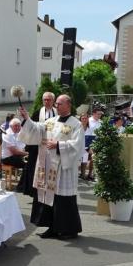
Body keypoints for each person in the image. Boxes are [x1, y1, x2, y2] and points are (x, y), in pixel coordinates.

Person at [18, 95, 84, 239]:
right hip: (48, 167)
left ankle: (69, 230)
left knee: (63, 200)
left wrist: (59, 145)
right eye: (56, 104)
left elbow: (78, 146)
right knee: (49, 199)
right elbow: (36, 129)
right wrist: (26, 118)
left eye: (59, 104)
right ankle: (52, 228)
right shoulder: (50, 121)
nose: (57, 106)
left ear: (68, 105)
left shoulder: (75, 124)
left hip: (63, 169)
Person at [24, 92, 57, 198]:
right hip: (38, 146)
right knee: (35, 168)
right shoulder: (38, 112)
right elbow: (31, 127)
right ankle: (35, 192)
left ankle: (51, 190)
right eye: (45, 100)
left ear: (53, 101)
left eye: (49, 100)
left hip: (52, 145)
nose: (47, 102)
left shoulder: (57, 112)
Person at [1, 118, 29, 191]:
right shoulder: (7, 134)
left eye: (19, 126)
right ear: (11, 126)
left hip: (16, 156)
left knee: (31, 162)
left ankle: (25, 185)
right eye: (15, 126)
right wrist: (27, 153)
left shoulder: (19, 133)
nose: (17, 128)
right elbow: (14, 151)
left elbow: (23, 146)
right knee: (27, 165)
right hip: (7, 158)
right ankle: (21, 187)